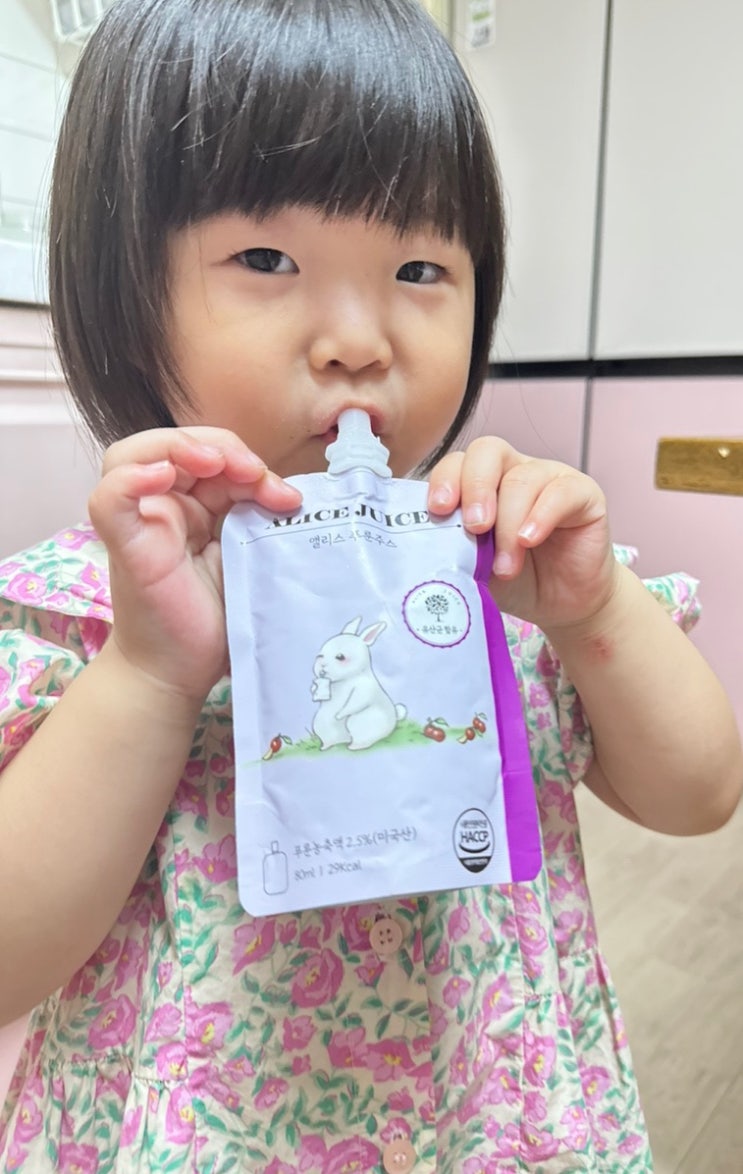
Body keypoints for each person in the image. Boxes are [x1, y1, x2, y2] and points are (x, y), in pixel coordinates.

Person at [0, 0, 740, 1170]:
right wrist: (147, 675)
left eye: (417, 267)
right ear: (122, 289)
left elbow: (697, 795)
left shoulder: (492, 564)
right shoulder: (80, 610)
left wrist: (593, 611)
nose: (359, 338)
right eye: (265, 259)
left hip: (490, 1126)